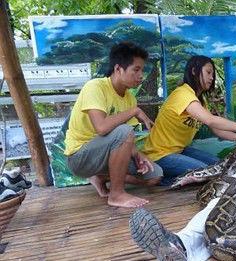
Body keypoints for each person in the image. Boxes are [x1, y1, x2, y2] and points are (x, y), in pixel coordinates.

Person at [64, 42, 163, 208]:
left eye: (142, 70)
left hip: (105, 156)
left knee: (155, 175)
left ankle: (102, 177)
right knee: (123, 131)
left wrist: (139, 156)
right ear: (118, 69)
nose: (141, 76)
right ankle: (116, 194)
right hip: (80, 157)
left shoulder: (129, 98)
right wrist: (134, 111)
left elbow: (124, 141)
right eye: (136, 70)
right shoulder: (95, 87)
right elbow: (102, 128)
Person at [142, 55, 236, 185]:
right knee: (210, 173)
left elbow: (218, 130)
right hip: (159, 155)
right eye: (208, 72)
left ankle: (172, 177)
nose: (212, 77)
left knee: (220, 166)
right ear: (194, 71)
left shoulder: (200, 102)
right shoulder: (183, 94)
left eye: (213, 74)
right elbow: (211, 120)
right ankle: (160, 179)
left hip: (179, 150)